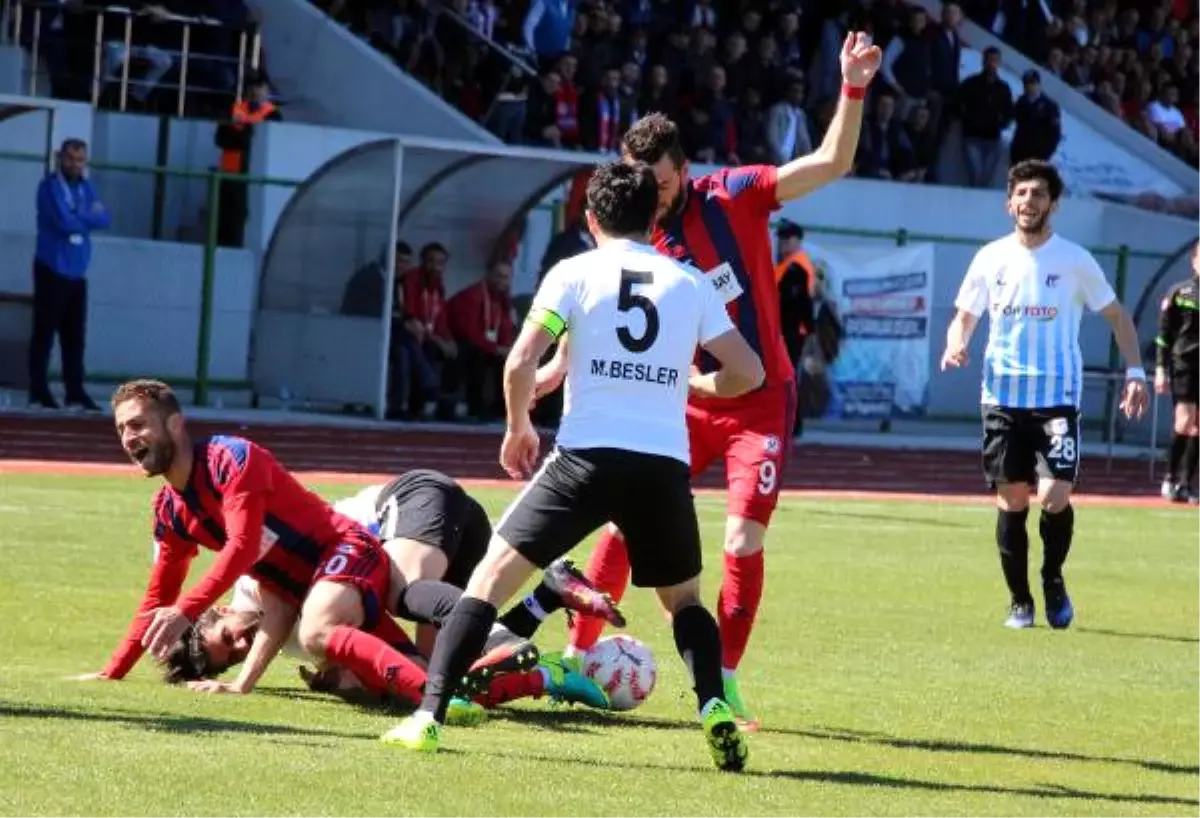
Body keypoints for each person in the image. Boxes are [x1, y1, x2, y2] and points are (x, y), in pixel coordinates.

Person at [541, 31, 883, 730]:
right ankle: (578, 660)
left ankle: (722, 685)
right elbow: (597, 307)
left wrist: (852, 87)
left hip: (758, 403)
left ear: (685, 170)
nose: (650, 197)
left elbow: (831, 162)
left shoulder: (735, 195)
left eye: (660, 184)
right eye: (639, 185)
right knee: (621, 524)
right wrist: (553, 365)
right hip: (683, 406)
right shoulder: (633, 234)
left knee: (739, 545)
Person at [380, 160, 765, 772]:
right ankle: (714, 706)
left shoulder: (574, 272)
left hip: (584, 458)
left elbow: (518, 362)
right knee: (685, 602)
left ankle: (428, 717)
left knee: (486, 582)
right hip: (662, 467)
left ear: (590, 219)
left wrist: (517, 427)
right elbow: (750, 372)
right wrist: (693, 383)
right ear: (655, 215)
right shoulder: (690, 282)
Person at [67, 380, 507, 724]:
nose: (128, 437)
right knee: (402, 677)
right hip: (321, 585)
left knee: (319, 630)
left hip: (347, 550)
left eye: (138, 424)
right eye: (122, 429)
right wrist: (114, 670)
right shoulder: (170, 510)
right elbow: (159, 597)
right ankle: (536, 677)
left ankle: (441, 693)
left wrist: (186, 609)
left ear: (175, 424)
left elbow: (241, 546)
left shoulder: (230, 459)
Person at [940, 160, 1149, 630]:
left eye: (1038, 194)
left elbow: (1117, 316)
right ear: (1008, 202)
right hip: (1001, 399)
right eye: (1021, 193)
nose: (1028, 202)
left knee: (1054, 497)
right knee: (1012, 501)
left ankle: (1052, 579)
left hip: (1057, 399)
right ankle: (1020, 601)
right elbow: (965, 314)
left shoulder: (1074, 259)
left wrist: (1135, 370)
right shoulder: (990, 257)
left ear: (1052, 204)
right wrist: (956, 342)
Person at [29, 138, 110, 411]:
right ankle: (38, 390)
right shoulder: (49, 187)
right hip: (52, 268)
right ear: (60, 159)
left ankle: (74, 390)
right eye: (70, 159)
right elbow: (64, 223)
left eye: (80, 160)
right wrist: (84, 218)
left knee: (75, 336)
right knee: (45, 332)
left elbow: (105, 218)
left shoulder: (86, 187)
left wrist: (80, 218)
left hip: (77, 271)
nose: (75, 164)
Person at [1155, 241, 1200, 503]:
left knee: (1198, 428)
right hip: (1184, 364)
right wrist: (1160, 369)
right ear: (1193, 261)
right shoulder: (1179, 291)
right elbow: (1163, 336)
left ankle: (1186, 483)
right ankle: (1169, 478)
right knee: (1184, 422)